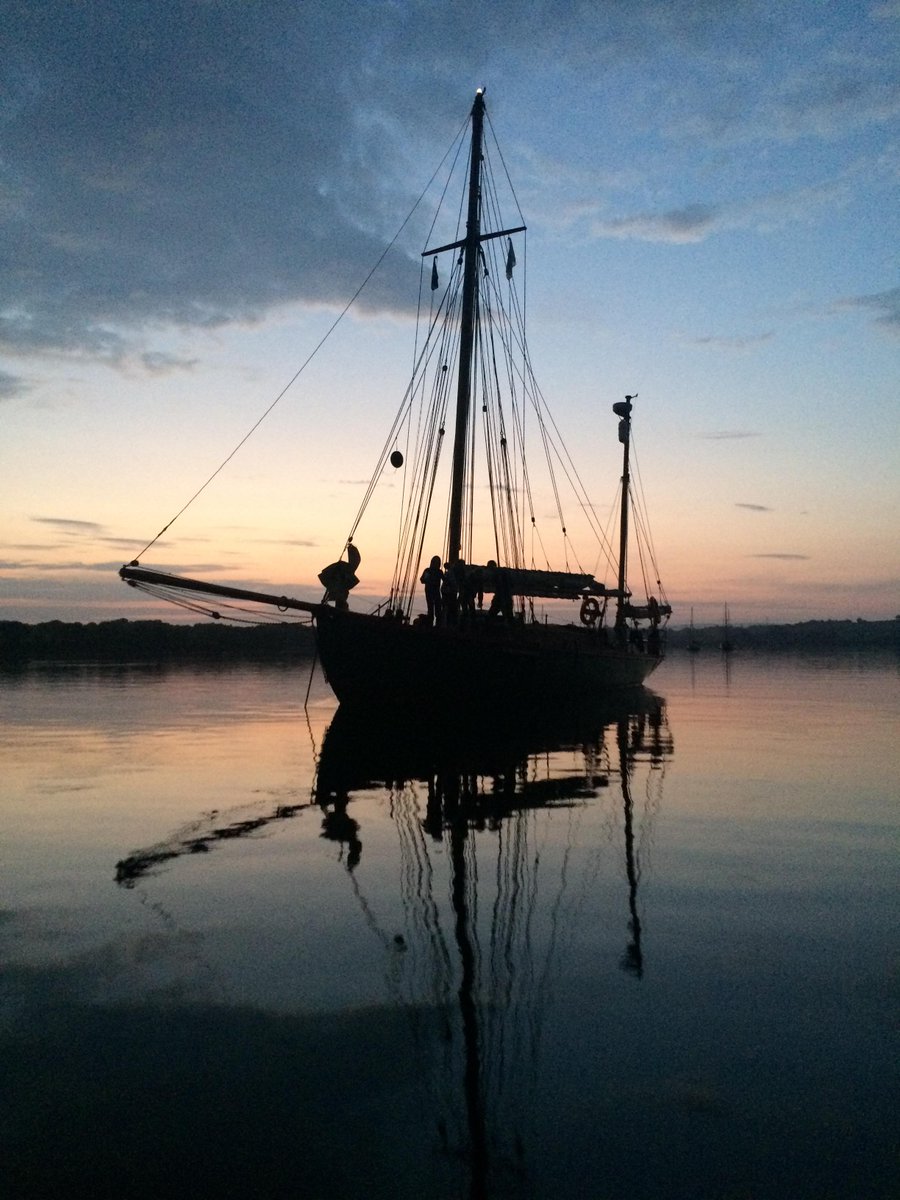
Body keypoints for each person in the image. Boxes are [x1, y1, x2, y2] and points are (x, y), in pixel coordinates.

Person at [420, 555, 443, 626]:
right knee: (432, 608)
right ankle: (432, 624)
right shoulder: (429, 571)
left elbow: (444, 579)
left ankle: (436, 624)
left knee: (436, 608)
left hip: (434, 591)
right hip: (431, 591)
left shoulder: (437, 571)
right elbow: (422, 580)